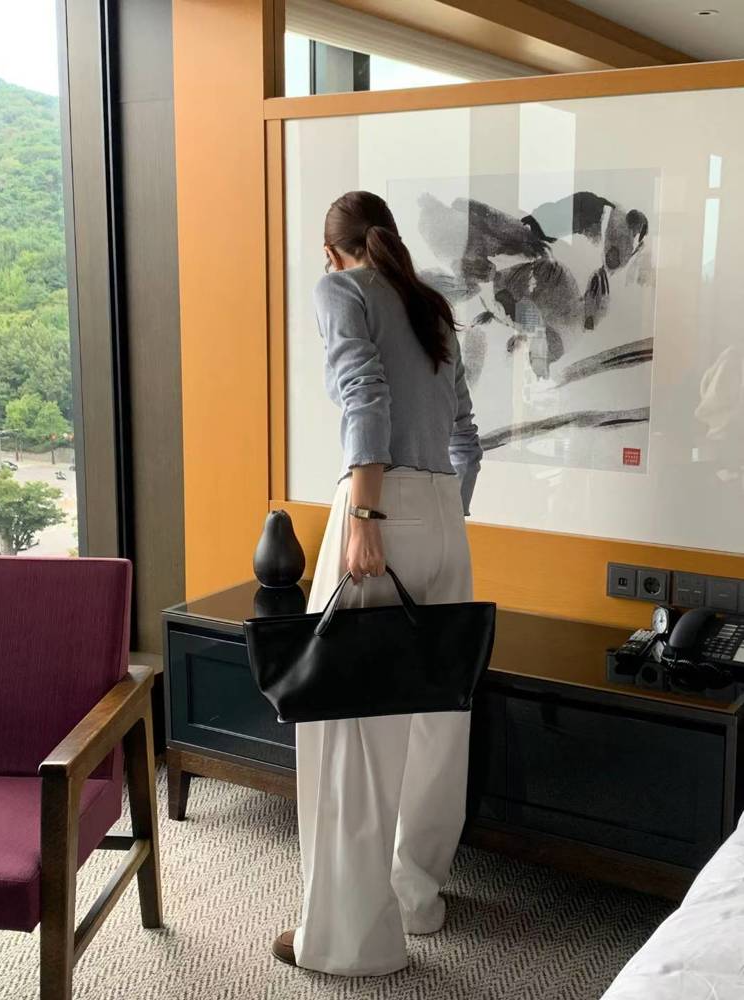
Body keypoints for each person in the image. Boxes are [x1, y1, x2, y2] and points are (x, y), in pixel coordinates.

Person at [272, 190, 483, 977]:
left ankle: (352, 943)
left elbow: (365, 395)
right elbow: (467, 436)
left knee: (350, 728)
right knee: (436, 718)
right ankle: (416, 898)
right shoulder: (432, 307)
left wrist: (366, 513)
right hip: (445, 517)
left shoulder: (342, 290)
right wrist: (442, 513)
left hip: (377, 509)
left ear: (333, 251)